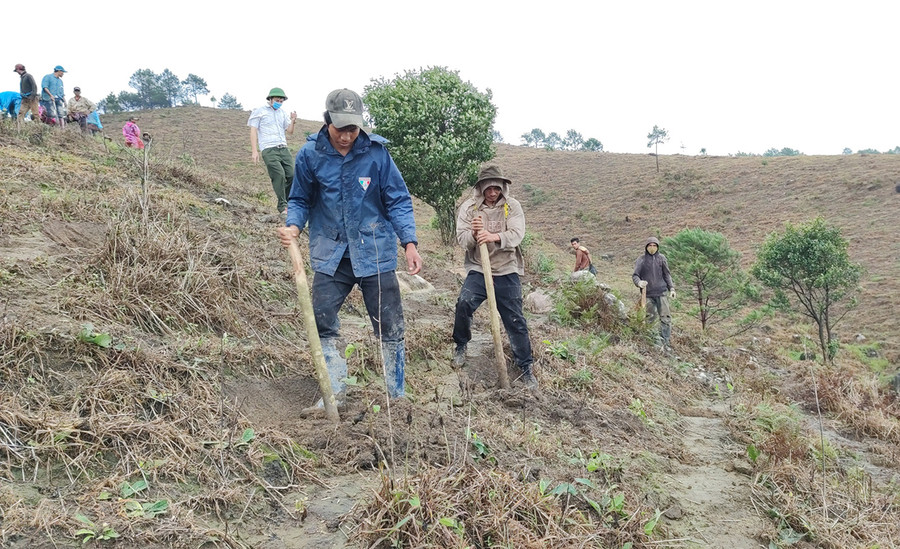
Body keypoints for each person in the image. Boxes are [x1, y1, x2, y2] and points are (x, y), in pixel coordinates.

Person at [276, 88, 422, 405]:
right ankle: (336, 392)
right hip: (331, 253)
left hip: (375, 251)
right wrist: (293, 225)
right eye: (340, 128)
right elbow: (299, 199)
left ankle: (396, 396)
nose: (346, 136)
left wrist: (408, 242)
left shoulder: (377, 155)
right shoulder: (310, 155)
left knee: (391, 324)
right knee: (322, 318)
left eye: (352, 129)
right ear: (327, 121)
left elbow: (398, 200)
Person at [452, 165, 537, 389]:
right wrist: (473, 233)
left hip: (506, 268)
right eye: (488, 188)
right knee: (464, 303)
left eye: (496, 189)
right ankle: (461, 345)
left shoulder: (512, 207)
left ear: (502, 188)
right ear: (480, 188)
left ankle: (525, 367)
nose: (492, 193)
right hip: (479, 267)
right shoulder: (469, 208)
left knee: (515, 320)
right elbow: (462, 240)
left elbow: (517, 234)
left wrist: (493, 236)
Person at [248, 87, 297, 214]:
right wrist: (255, 151)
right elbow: (253, 130)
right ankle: (282, 206)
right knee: (279, 175)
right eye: (277, 100)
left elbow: (290, 131)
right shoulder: (260, 111)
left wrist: (293, 121)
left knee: (291, 174)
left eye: (281, 101)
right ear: (270, 99)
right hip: (269, 149)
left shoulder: (282, 113)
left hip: (283, 148)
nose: (279, 102)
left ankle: (287, 203)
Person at [632, 237, 676, 349]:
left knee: (665, 318)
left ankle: (665, 342)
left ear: (658, 247)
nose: (652, 248)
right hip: (647, 295)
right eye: (650, 245)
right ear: (646, 247)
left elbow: (667, 274)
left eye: (654, 245)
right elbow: (635, 275)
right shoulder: (641, 260)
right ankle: (651, 342)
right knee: (649, 318)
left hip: (661, 293)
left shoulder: (662, 259)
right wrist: (639, 282)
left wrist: (672, 288)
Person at [13, 64, 39, 129]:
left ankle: (39, 129)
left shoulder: (28, 76)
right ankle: (21, 129)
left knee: (35, 114)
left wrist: (32, 97)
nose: (17, 72)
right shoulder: (22, 77)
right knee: (20, 114)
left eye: (17, 70)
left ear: (18, 69)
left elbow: (34, 86)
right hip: (25, 99)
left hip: (32, 99)